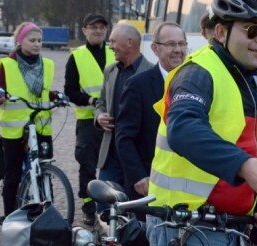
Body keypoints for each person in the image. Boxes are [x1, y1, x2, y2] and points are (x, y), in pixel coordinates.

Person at [145, 0, 257, 246]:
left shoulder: (254, 82)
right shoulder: (198, 73)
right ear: (221, 31)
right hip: (184, 227)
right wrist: (245, 167)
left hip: (228, 228)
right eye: (252, 29)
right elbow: (183, 129)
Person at [0, 22, 58, 225]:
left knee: (44, 169)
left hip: (41, 125)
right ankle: (9, 214)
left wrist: (56, 95)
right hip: (15, 129)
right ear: (20, 42)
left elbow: (45, 91)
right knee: (12, 173)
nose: (37, 44)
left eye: (39, 40)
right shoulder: (7, 64)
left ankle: (48, 211)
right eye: (32, 40)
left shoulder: (47, 64)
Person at [116, 22, 186, 201]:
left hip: (185, 188)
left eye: (181, 44)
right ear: (155, 49)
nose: (178, 50)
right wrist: (138, 176)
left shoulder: (196, 84)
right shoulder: (137, 85)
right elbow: (124, 137)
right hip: (148, 186)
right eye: (171, 44)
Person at [94, 23, 154, 211]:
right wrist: (99, 116)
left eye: (113, 41)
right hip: (111, 153)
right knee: (103, 206)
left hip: (138, 156)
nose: (109, 45)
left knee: (135, 209)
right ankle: (103, 238)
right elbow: (101, 101)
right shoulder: (110, 71)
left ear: (130, 42)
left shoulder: (151, 73)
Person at [64, 13, 116, 225]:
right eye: (93, 27)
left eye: (102, 27)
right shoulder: (76, 57)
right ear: (84, 30)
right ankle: (88, 206)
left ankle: (111, 206)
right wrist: (92, 101)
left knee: (112, 165)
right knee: (87, 166)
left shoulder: (114, 52)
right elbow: (70, 91)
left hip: (113, 121)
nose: (98, 31)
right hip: (88, 121)